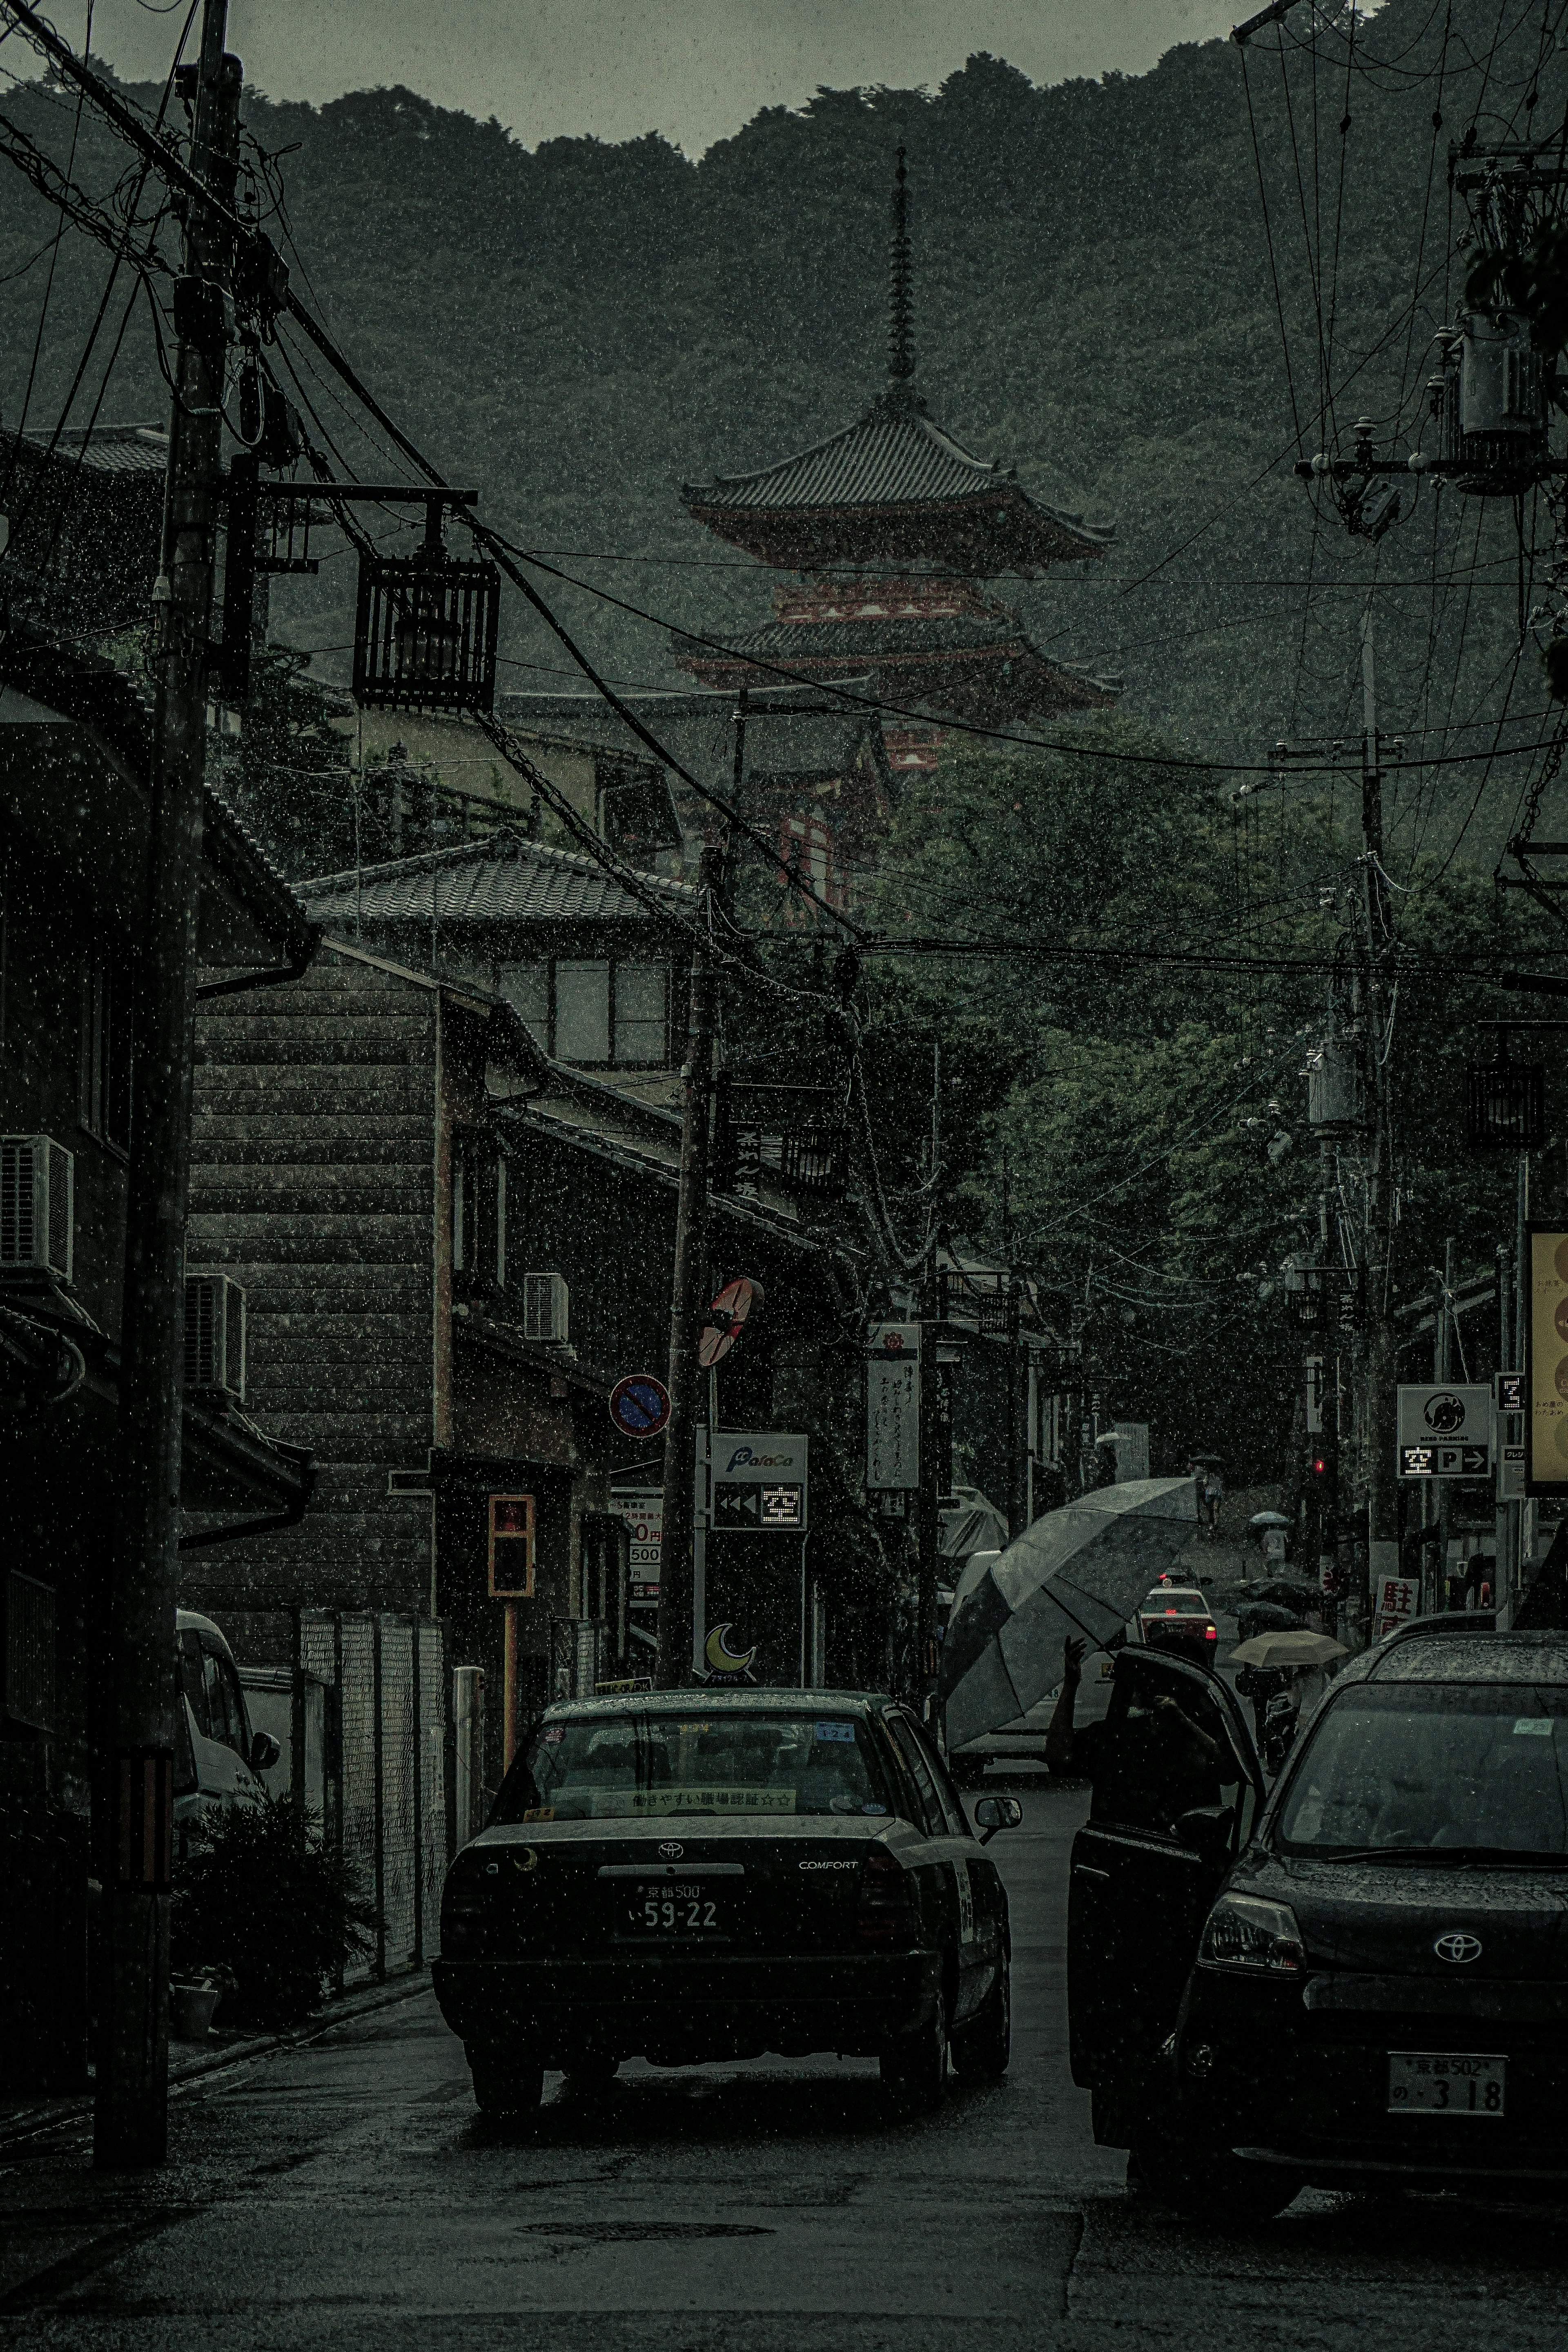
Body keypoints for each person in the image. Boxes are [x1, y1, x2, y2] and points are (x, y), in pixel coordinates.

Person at [1046, 1636, 1227, 1826]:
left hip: (1184, 1849)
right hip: (1129, 1848)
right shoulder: (1121, 1737)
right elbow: (1059, 1755)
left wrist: (1184, 1723)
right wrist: (1071, 1684)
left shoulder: (1201, 1736)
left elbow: (1226, 1770)